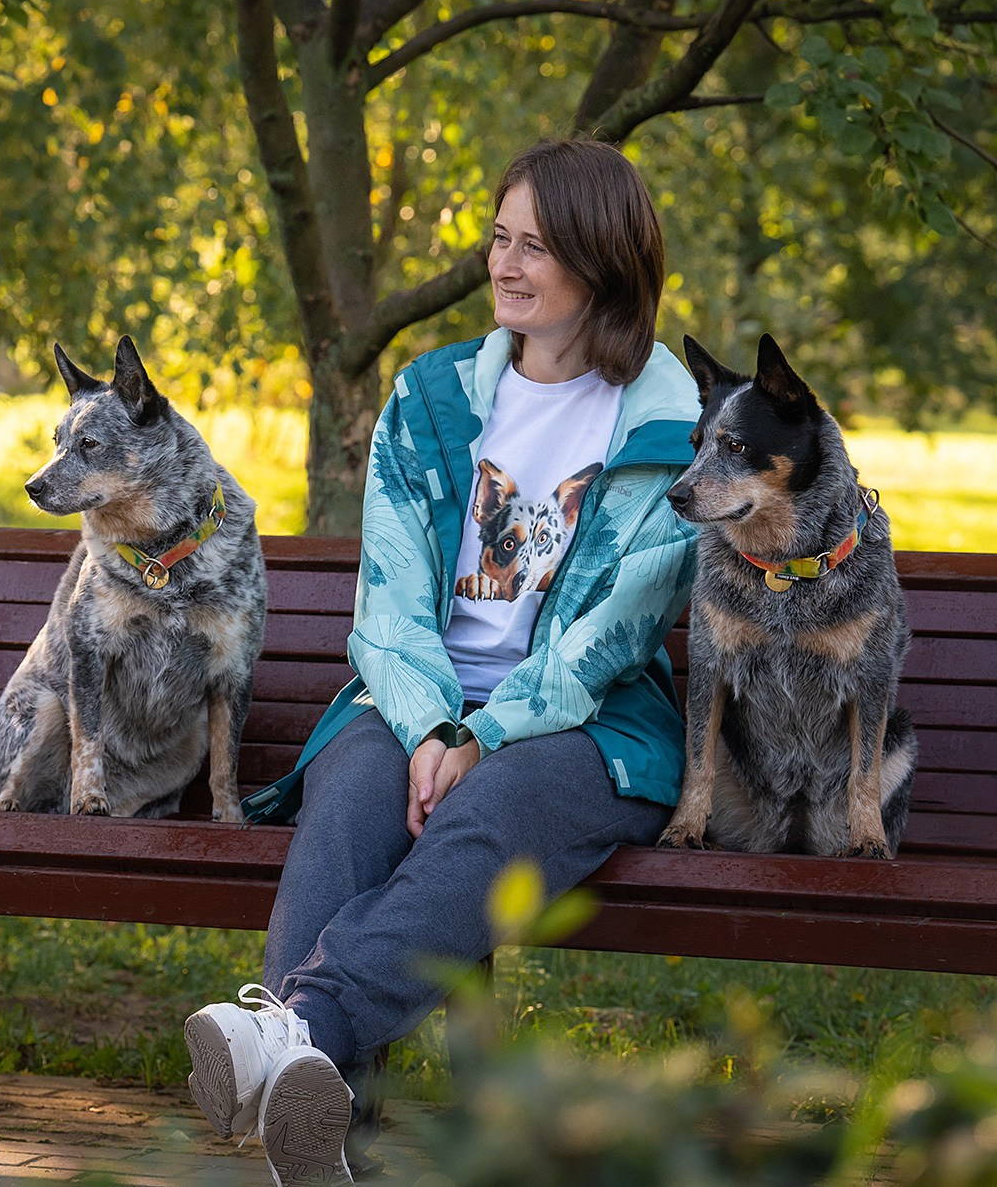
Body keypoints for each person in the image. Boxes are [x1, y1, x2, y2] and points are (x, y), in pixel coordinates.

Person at [183, 138, 703, 1186]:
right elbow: (386, 604)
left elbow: (612, 631)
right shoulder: (428, 400)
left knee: (489, 809)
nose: (502, 266)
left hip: (584, 722)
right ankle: (326, 1134)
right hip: (407, 696)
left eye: (536, 248)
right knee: (351, 803)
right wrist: (428, 726)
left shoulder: (671, 422)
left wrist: (483, 735)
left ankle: (293, 1029)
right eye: (497, 239)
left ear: (602, 264)